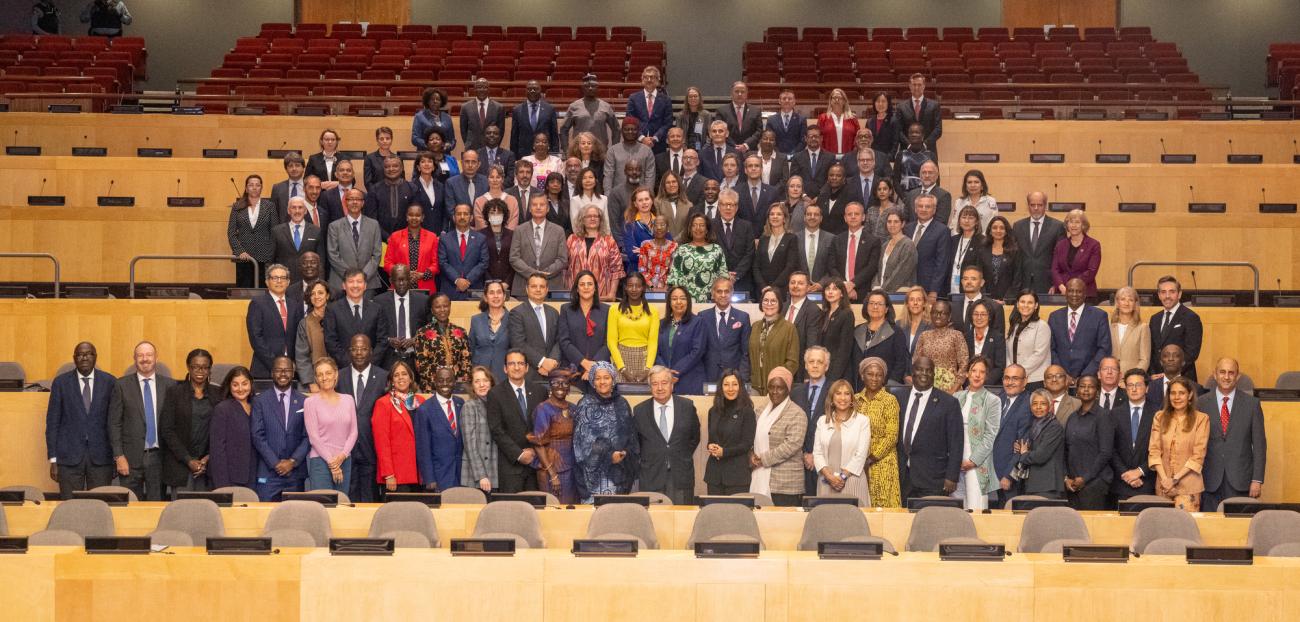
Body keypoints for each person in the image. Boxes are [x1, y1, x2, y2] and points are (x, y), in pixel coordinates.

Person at [45, 342, 116, 498]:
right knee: (69, 506)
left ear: (95, 357)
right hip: (68, 458)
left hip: (101, 458)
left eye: (89, 353)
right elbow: (52, 423)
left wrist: (116, 456)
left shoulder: (110, 382)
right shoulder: (61, 383)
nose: (84, 357)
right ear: (74, 358)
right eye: (80, 354)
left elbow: (115, 422)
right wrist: (53, 459)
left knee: (100, 505)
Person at [1197, 358, 1266, 511]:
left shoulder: (1252, 404)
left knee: (1238, 528)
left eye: (1231, 373)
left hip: (1241, 481)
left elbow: (1260, 445)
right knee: (1210, 529)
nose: (1226, 377)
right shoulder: (1200, 403)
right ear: (1215, 375)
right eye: (1222, 372)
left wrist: (1257, 479)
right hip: (1208, 481)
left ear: (1238, 376)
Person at [108, 341, 172, 501]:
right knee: (130, 506)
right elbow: (114, 423)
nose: (145, 359)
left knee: (157, 506)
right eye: (140, 355)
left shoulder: (169, 385)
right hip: (129, 458)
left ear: (156, 358)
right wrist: (119, 456)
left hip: (159, 458)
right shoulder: (121, 385)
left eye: (149, 355)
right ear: (134, 359)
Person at [628, 366, 699, 504]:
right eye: (655, 383)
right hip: (651, 476)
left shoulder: (687, 406)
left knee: (681, 521)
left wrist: (678, 454)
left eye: (664, 383)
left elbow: (694, 437)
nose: (660, 387)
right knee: (655, 522)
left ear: (672, 385)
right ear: (650, 387)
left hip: (681, 476)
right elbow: (636, 444)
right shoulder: (640, 411)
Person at [895, 356, 963, 499]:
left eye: (928, 370)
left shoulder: (949, 403)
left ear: (934, 374)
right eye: (920, 369)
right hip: (901, 477)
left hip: (933, 479)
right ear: (912, 372)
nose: (924, 374)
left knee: (931, 520)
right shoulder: (898, 397)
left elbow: (956, 443)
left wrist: (952, 476)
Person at [573, 362, 639, 502]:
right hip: (594, 478)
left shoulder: (622, 403)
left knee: (617, 518)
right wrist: (609, 456)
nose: (602, 382)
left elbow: (631, 436)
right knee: (596, 519)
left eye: (606, 377)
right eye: (598, 378)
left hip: (620, 474)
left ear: (613, 380)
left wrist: (625, 452)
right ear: (592, 381)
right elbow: (581, 444)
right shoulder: (585, 404)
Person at [158, 349, 220, 496]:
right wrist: (188, 460)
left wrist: (208, 457)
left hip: (208, 467)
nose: (200, 371)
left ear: (210, 369)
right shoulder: (174, 393)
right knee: (181, 515)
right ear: (188, 367)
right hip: (180, 466)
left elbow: (221, 431)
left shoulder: (218, 394)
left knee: (207, 515)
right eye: (195, 367)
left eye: (205, 367)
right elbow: (167, 430)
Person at [485, 349, 547, 492]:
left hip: (537, 464)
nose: (516, 367)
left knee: (537, 510)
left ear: (526, 367)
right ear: (505, 369)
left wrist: (534, 451)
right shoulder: (495, 394)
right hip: (510, 466)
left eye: (520, 363)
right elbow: (496, 430)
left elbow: (545, 427)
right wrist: (519, 454)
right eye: (512, 364)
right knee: (511, 511)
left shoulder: (540, 391)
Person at [335, 334, 386, 503]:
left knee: (371, 498)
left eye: (363, 349)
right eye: (355, 349)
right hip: (344, 451)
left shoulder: (383, 377)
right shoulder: (338, 377)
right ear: (349, 352)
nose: (359, 353)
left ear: (371, 352)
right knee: (347, 499)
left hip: (372, 448)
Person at [250, 356, 309, 501]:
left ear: (293, 372)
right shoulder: (259, 401)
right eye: (278, 370)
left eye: (287, 370)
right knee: (265, 518)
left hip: (295, 473)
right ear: (271, 373)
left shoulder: (305, 401)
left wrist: (293, 461)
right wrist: (276, 463)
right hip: (268, 473)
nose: (283, 374)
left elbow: (308, 436)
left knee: (295, 518)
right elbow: (257, 436)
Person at [1148, 376, 1211, 511]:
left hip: (1189, 488)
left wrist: (1174, 480)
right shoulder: (1159, 417)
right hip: (1163, 486)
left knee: (1185, 529)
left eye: (1181, 393)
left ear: (1190, 395)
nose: (1177, 397)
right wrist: (1166, 480)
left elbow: (1198, 455)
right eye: (1173, 393)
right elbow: (1154, 451)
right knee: (1163, 529)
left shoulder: (1201, 419)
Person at [945, 356, 999, 509]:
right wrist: (953, 459)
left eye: (982, 372)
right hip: (956, 458)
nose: (977, 375)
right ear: (967, 374)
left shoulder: (992, 400)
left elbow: (991, 434)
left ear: (986, 375)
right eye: (974, 371)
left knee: (976, 506)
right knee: (957, 506)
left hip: (977, 462)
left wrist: (973, 461)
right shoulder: (956, 397)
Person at [749, 366, 806, 506]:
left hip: (785, 484)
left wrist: (763, 459)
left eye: (780, 387)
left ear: (788, 388)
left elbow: (792, 445)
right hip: (758, 475)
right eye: (771, 387)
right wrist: (750, 455)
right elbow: (750, 437)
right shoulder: (760, 411)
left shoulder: (797, 413)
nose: (774, 392)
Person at [813, 378, 872, 504]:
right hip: (826, 482)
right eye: (838, 393)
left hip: (852, 480)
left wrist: (842, 477)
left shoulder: (862, 421)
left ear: (851, 398)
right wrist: (830, 477)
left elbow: (861, 455)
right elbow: (817, 453)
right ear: (832, 398)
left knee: (854, 521)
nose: (843, 398)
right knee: (826, 521)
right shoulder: (822, 421)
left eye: (847, 393)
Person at [303, 357, 357, 493]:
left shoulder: (348, 399)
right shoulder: (310, 402)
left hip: (344, 460)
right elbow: (314, 437)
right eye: (320, 374)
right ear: (316, 378)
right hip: (320, 462)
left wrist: (342, 456)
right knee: (323, 507)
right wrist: (333, 464)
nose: (324, 377)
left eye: (328, 373)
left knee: (342, 506)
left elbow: (353, 432)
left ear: (336, 374)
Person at [854, 357, 902, 507]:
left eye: (879, 375)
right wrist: (858, 460)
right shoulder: (854, 400)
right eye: (870, 374)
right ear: (862, 376)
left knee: (884, 508)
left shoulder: (889, 400)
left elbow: (892, 436)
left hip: (883, 462)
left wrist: (870, 458)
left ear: (884, 378)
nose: (874, 378)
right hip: (857, 464)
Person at [1063, 375, 1116, 510]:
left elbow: (1105, 453)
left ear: (1097, 391)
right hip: (1073, 485)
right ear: (1076, 391)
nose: (1086, 390)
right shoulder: (1072, 417)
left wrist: (1085, 479)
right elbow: (1066, 450)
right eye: (1082, 386)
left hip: (1095, 484)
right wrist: (1067, 478)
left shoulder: (1103, 416)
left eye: (1091, 387)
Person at [371, 360, 423, 496]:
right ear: (391, 381)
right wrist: (388, 474)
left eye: (404, 374)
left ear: (411, 378)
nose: (401, 378)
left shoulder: (420, 402)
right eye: (396, 375)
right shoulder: (383, 404)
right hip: (397, 475)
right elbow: (382, 443)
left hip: (420, 473)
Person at [526, 371, 578, 503]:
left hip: (571, 467)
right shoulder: (543, 409)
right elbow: (539, 444)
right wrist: (553, 475)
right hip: (551, 467)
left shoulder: (573, 408)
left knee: (571, 509)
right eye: (556, 383)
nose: (560, 386)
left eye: (565, 383)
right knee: (554, 509)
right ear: (550, 385)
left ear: (569, 387)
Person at [705, 369, 757, 495]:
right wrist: (710, 446)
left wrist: (724, 452)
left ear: (740, 387)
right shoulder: (713, 411)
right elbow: (711, 439)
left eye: (734, 384)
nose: (730, 388)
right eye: (726, 384)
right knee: (714, 513)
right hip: (714, 475)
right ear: (721, 387)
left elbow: (747, 444)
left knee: (735, 514)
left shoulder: (747, 412)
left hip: (737, 477)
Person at [412, 366, 465, 492]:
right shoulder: (424, 410)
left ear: (455, 382)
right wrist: (429, 478)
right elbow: (423, 449)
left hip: (461, 475)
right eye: (441, 380)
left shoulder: (461, 403)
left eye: (449, 380)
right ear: (434, 382)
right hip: (439, 476)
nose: (445, 384)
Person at [323, 269, 390, 367]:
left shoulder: (377, 309)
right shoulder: (332, 310)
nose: (355, 285)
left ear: (365, 285)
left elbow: (382, 341)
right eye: (351, 281)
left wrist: (369, 364)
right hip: (344, 369)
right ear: (344, 285)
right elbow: (331, 342)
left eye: (359, 281)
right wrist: (349, 364)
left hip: (372, 368)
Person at [205, 365, 256, 492]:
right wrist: (223, 485)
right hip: (229, 479)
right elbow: (217, 450)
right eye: (235, 385)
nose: (240, 389)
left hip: (253, 476)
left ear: (251, 384)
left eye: (244, 384)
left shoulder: (257, 406)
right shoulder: (222, 409)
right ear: (229, 386)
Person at [246, 263, 302, 379]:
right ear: (267, 282)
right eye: (275, 278)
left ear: (288, 282)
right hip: (265, 369)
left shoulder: (295, 305)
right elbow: (256, 338)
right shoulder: (257, 304)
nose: (279, 281)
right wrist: (275, 364)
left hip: (292, 370)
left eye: (283, 278)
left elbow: (298, 337)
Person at [1049, 278, 1112, 380]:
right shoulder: (1054, 317)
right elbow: (1051, 348)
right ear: (1065, 293)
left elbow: (1104, 348)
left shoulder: (1099, 316)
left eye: (1079, 291)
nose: (1074, 294)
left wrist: (1086, 374)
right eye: (1071, 291)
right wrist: (1061, 373)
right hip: (1060, 378)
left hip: (1089, 379)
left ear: (1085, 294)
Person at [1111, 368, 1158, 501]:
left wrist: (1140, 471)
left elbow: (1161, 449)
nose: (1134, 389)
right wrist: (1126, 474)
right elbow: (1111, 449)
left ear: (1147, 388)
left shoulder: (1158, 414)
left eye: (1138, 385)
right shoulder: (1115, 414)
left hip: (1148, 482)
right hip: (1121, 483)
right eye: (1130, 385)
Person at [554, 270, 609, 381]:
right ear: (577, 289)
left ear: (595, 288)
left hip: (600, 370)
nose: (586, 287)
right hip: (572, 368)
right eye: (582, 284)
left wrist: (593, 366)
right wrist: (584, 362)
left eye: (590, 284)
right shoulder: (566, 309)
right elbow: (564, 341)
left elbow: (608, 342)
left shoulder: (607, 310)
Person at [374, 266, 432, 370]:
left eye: (404, 279)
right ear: (391, 281)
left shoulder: (423, 301)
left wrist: (416, 339)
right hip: (389, 357)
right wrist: (388, 340)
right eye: (397, 280)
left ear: (410, 279)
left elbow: (431, 328)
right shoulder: (379, 301)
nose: (401, 283)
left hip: (415, 357)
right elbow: (375, 330)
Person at [510, 195, 569, 296]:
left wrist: (544, 274)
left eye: (542, 205)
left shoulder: (558, 230)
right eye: (534, 205)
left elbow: (562, 259)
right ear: (530, 209)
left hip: (551, 285)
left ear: (547, 208)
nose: (538, 207)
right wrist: (533, 274)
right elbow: (514, 258)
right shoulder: (519, 230)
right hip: (523, 286)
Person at [1149, 276, 1205, 382]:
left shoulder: (1191, 317)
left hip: (1182, 379)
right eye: (1163, 292)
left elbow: (1191, 353)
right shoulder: (1155, 319)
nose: (1167, 296)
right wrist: (1153, 374)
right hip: (1158, 380)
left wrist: (1170, 373)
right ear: (1159, 295)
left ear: (1179, 294)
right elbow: (1152, 350)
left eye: (1172, 292)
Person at [1013, 389, 1066, 498]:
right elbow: (1026, 448)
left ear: (1050, 406)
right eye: (1035, 404)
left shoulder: (1054, 426)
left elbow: (1041, 456)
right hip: (1031, 483)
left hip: (1047, 485)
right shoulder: (1032, 424)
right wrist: (1019, 448)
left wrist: (1023, 454)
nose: (1038, 407)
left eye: (1043, 404)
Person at [607, 272, 659, 383]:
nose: (634, 289)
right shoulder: (614, 309)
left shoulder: (653, 311)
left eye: (638, 286)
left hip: (644, 361)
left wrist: (648, 369)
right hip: (621, 359)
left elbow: (653, 342)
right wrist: (622, 369)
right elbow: (611, 341)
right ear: (625, 287)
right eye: (630, 285)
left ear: (643, 288)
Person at [327, 189, 383, 292]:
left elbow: (377, 254)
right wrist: (351, 277)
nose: (354, 202)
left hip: (368, 282)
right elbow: (333, 254)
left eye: (358, 199)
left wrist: (363, 276)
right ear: (345, 202)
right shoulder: (334, 226)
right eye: (351, 199)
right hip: (341, 282)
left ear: (363, 203)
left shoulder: (374, 225)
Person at [227, 174, 278, 288]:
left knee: (262, 293)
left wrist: (270, 254)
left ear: (261, 188)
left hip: (264, 259)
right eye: (251, 185)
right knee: (243, 292)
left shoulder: (270, 206)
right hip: (243, 258)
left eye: (257, 185)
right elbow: (231, 233)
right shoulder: (237, 206)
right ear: (246, 188)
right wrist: (239, 251)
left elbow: (275, 233)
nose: (254, 187)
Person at [792, 346, 831, 494]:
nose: (815, 365)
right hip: (799, 461)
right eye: (811, 361)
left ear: (826, 366)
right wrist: (804, 454)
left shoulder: (836, 391)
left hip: (827, 462)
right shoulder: (795, 393)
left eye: (819, 362)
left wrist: (816, 455)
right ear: (806, 365)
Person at [992, 364, 1032, 507]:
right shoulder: (998, 398)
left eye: (1015, 378)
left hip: (1010, 478)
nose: (1010, 382)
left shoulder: (1028, 405)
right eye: (1007, 378)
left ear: (1025, 381)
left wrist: (1009, 475)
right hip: (992, 472)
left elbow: (1022, 447)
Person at [509, 271, 562, 379]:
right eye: (534, 286)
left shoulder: (554, 312)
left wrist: (551, 362)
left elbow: (559, 340)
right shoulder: (517, 313)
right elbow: (518, 343)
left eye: (542, 286)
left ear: (547, 290)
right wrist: (542, 362)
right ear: (527, 289)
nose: (538, 289)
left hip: (552, 372)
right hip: (529, 373)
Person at [700, 276, 752, 384]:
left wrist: (743, 378)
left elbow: (745, 352)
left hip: (734, 377)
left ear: (732, 293)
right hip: (708, 375)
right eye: (719, 291)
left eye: (726, 291)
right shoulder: (702, 317)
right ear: (713, 294)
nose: (723, 295)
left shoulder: (743, 317)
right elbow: (699, 350)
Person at [826, 202, 881, 303]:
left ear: (863, 217)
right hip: (839, 292)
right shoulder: (836, 240)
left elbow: (871, 267)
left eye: (856, 214)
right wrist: (844, 286)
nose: (853, 217)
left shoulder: (873, 241)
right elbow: (831, 266)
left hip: (862, 293)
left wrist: (852, 284)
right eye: (849, 214)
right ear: (845, 218)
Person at [1012, 191, 1066, 294]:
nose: (1036, 208)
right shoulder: (1018, 226)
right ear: (1028, 206)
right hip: (1023, 283)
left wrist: (1056, 283)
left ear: (1045, 206)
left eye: (1040, 205)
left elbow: (1061, 259)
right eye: (1032, 205)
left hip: (1047, 283)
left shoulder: (1058, 227)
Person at [567, 205, 625, 299]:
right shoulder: (572, 239)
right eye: (589, 216)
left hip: (602, 294)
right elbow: (565, 267)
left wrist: (612, 294)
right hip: (576, 294)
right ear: (582, 219)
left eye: (596, 216)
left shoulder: (609, 240)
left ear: (600, 219)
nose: (593, 218)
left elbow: (617, 269)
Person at [668, 213, 728, 303]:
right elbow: (675, 278)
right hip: (686, 302)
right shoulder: (682, 250)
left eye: (702, 225)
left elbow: (723, 276)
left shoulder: (717, 249)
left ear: (707, 229)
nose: (698, 228)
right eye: (694, 225)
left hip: (711, 301)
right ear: (690, 229)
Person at [749, 288, 800, 395]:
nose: (769, 304)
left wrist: (778, 380)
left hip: (778, 388)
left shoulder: (789, 328)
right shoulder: (755, 326)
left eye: (773, 301)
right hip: (754, 387)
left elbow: (793, 362)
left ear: (780, 304)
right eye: (766, 300)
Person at [911, 299, 968, 394]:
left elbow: (964, 364)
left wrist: (953, 389)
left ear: (949, 316)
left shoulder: (957, 335)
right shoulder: (924, 335)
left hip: (950, 387)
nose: (938, 316)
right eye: (935, 312)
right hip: (926, 385)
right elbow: (916, 361)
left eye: (943, 313)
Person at [414, 292, 471, 385]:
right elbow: (421, 365)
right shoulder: (422, 333)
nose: (442, 310)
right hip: (432, 387)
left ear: (450, 307)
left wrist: (461, 381)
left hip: (457, 386)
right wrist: (441, 382)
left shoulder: (461, 332)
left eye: (445, 306)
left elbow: (466, 360)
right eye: (438, 307)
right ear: (432, 310)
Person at [854, 289, 908, 385]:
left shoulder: (896, 332)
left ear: (886, 309)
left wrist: (890, 385)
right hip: (858, 388)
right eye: (871, 303)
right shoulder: (857, 330)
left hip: (884, 389)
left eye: (879, 304)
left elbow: (900, 363)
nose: (875, 307)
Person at [438, 203, 489, 300]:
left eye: (465, 214)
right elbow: (443, 262)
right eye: (459, 214)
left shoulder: (481, 239)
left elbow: (484, 262)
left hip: (473, 289)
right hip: (450, 290)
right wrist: (457, 280)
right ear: (453, 217)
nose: (462, 217)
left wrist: (468, 280)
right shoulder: (445, 239)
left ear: (471, 218)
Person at [903, 193, 950, 298]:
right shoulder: (907, 228)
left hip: (928, 288)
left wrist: (934, 290)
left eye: (928, 207)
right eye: (920, 206)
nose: (923, 209)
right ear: (915, 209)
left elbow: (941, 264)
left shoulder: (942, 231)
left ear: (934, 210)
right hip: (906, 286)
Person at [461, 366, 499, 491]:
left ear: (491, 382)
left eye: (485, 380)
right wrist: (481, 475)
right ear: (472, 386)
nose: (482, 384)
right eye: (477, 381)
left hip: (495, 472)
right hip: (476, 476)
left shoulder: (498, 405)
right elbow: (469, 445)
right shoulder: (469, 406)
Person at [1051, 209, 1102, 299]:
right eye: (1071, 222)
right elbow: (1055, 269)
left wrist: (1072, 287)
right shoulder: (1060, 245)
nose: (1074, 225)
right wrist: (1061, 286)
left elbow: (1091, 271)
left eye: (1077, 222)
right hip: (1063, 293)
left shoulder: (1093, 245)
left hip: (1085, 293)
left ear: (1083, 225)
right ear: (1067, 225)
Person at [1006, 290, 1051, 391]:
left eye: (1030, 302)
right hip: (1015, 379)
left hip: (1034, 380)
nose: (1025, 305)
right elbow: (1009, 352)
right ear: (1017, 304)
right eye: (1022, 302)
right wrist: (1011, 373)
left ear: (1036, 306)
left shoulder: (1042, 326)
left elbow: (1039, 354)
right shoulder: (1014, 325)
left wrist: (1018, 373)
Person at [971, 215, 1022, 303]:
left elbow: (1017, 279)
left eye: (1002, 228)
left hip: (1007, 301)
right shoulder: (982, 250)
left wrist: (1006, 300)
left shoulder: (1014, 251)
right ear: (990, 231)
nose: (998, 231)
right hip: (985, 301)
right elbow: (978, 276)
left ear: (1006, 231)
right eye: (995, 228)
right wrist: (985, 298)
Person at [561, 74, 619, 150]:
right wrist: (566, 150)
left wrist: (614, 150)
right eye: (587, 86)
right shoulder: (574, 106)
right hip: (579, 152)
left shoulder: (606, 107)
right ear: (582, 88)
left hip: (600, 152)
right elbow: (564, 129)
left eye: (593, 86)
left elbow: (616, 129)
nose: (590, 88)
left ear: (597, 88)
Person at [469, 281, 511, 381]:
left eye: (499, 292)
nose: (496, 296)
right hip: (481, 374)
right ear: (485, 297)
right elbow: (471, 348)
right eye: (491, 293)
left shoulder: (514, 319)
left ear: (504, 296)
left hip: (504, 373)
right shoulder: (476, 320)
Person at [271, 197, 322, 281]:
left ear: (305, 211)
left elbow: (321, 261)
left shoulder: (316, 231)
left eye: (300, 207)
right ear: (288, 211)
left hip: (309, 281)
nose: (297, 211)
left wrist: (319, 282)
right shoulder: (277, 231)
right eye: (293, 207)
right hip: (283, 281)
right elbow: (270, 260)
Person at [367, 155, 418, 236]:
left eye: (395, 166)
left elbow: (415, 216)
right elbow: (371, 219)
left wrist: (404, 235)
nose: (391, 169)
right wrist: (386, 237)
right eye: (387, 167)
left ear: (401, 168)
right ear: (383, 169)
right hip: (381, 240)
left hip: (407, 237)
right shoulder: (374, 190)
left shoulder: (412, 188)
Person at [626, 65, 671, 152]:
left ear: (658, 80)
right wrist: (642, 138)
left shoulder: (666, 100)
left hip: (658, 145)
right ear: (642, 80)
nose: (649, 80)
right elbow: (630, 120)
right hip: (637, 144)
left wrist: (655, 138)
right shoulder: (633, 98)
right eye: (646, 77)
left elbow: (667, 123)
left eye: (652, 77)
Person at [510, 80, 559, 160]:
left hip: (544, 154)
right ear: (526, 91)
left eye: (535, 89)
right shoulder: (517, 110)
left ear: (541, 91)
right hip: (523, 154)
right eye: (530, 89)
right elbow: (514, 137)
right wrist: (514, 157)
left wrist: (555, 154)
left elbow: (554, 135)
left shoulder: (549, 109)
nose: (532, 91)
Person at [294, 282, 329, 389]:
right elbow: (301, 356)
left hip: (336, 378)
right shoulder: (304, 323)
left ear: (327, 296)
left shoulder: (337, 317)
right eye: (313, 294)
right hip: (314, 379)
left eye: (320, 293)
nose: (316, 296)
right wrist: (311, 382)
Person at [874, 208, 917, 294]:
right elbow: (879, 270)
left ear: (902, 224)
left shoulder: (908, 245)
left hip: (899, 294)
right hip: (882, 293)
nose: (892, 224)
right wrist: (875, 286)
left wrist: (882, 290)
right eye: (889, 222)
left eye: (896, 221)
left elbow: (901, 274)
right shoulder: (885, 245)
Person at [945, 207, 985, 297]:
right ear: (959, 220)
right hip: (951, 289)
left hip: (971, 290)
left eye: (971, 218)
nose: (966, 221)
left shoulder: (982, 241)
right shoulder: (953, 240)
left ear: (977, 222)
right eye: (963, 217)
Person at [1111, 286, 1151, 374]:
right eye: (1123, 299)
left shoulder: (1143, 328)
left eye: (1131, 300)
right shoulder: (1109, 328)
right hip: (1111, 378)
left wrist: (1130, 378)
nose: (1126, 303)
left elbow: (1144, 360)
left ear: (1135, 304)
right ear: (1117, 303)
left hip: (1132, 381)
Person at [459, 78, 506, 152]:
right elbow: (463, 130)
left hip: (491, 148)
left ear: (488, 89)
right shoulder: (465, 107)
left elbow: (501, 131)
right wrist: (468, 143)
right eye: (479, 87)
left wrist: (494, 144)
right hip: (472, 148)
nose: (482, 89)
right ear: (474, 89)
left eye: (484, 87)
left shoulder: (498, 107)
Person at [476, 198, 515, 287]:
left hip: (508, 284)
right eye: (492, 213)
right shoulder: (480, 235)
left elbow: (514, 261)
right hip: (486, 283)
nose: (495, 215)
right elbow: (479, 261)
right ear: (487, 215)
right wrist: (490, 282)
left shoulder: (512, 235)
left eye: (498, 213)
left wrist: (507, 283)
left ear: (504, 215)